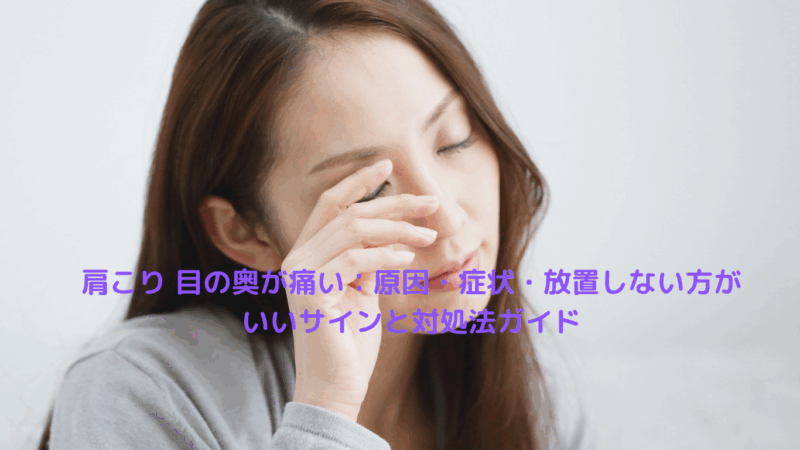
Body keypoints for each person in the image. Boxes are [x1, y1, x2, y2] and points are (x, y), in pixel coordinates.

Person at [39, 0, 591, 449]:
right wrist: (327, 408)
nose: (446, 217)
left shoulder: (536, 397)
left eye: (455, 140)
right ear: (244, 232)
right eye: (369, 191)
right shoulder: (141, 392)